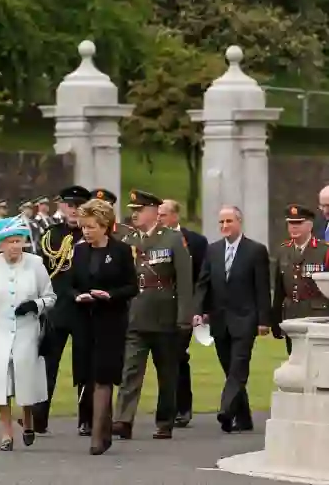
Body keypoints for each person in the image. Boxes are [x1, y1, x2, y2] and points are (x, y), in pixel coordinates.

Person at [0, 217, 56, 451]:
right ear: (0, 245)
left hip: (27, 331)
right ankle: (6, 433)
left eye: (19, 241)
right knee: (0, 382)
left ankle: (27, 420)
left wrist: (34, 305)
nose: (16, 246)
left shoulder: (36, 264)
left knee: (25, 379)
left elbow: (51, 298)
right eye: (10, 242)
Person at [113, 189, 193, 440]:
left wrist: (184, 317)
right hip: (135, 314)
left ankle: (165, 421)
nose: (134, 214)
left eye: (139, 210)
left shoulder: (172, 239)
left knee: (167, 373)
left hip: (164, 315)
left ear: (153, 212)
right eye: (133, 210)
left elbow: (184, 280)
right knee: (130, 371)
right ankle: (123, 420)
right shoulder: (128, 240)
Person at [193, 205, 271, 434]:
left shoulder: (256, 251)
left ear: (239, 222)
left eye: (229, 221)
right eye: (221, 222)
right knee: (229, 368)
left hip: (246, 319)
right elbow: (203, 283)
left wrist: (263, 320)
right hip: (219, 320)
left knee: (238, 367)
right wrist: (198, 310)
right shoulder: (213, 250)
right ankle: (244, 418)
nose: (225, 226)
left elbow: (262, 288)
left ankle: (226, 409)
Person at [69, 198, 138, 455]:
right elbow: (71, 284)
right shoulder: (79, 251)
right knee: (88, 376)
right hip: (85, 320)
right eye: (83, 226)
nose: (86, 231)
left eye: (90, 226)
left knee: (103, 376)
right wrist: (78, 295)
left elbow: (132, 287)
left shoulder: (120, 251)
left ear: (105, 225)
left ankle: (97, 437)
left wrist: (110, 295)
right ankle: (104, 428)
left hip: (110, 321)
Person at [31, 185, 93, 436]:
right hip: (56, 309)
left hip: (84, 309)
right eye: (70, 205)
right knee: (47, 365)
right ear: (63, 207)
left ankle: (86, 419)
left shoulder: (93, 235)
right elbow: (41, 271)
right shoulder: (51, 235)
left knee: (85, 367)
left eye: (79, 205)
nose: (74, 210)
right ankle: (39, 417)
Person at [158, 199, 208, 427]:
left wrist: (198, 309)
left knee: (178, 356)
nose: (159, 219)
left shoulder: (196, 242)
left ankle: (182, 408)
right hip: (159, 308)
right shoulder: (153, 239)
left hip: (184, 307)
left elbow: (202, 278)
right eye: (158, 214)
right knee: (163, 358)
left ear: (176, 216)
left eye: (164, 215)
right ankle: (167, 406)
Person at [272, 203, 329, 355]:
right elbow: (279, 290)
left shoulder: (324, 251)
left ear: (310, 225)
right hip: (291, 317)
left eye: (298, 223)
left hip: (318, 317)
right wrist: (275, 321)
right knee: (295, 361)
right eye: (290, 223)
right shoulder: (284, 251)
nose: (293, 227)